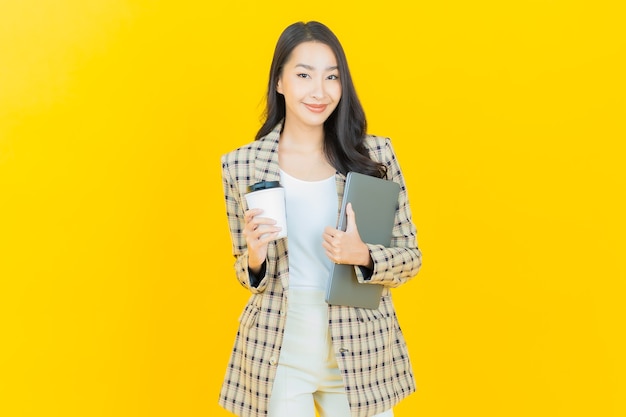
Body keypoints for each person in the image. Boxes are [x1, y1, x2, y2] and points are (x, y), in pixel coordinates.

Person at [219, 21, 422, 417]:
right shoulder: (241, 165)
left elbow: (411, 256)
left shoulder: (375, 158)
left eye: (332, 76)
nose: (319, 90)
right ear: (280, 81)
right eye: (303, 75)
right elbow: (245, 274)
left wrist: (363, 255)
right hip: (280, 347)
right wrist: (256, 258)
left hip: (361, 345)